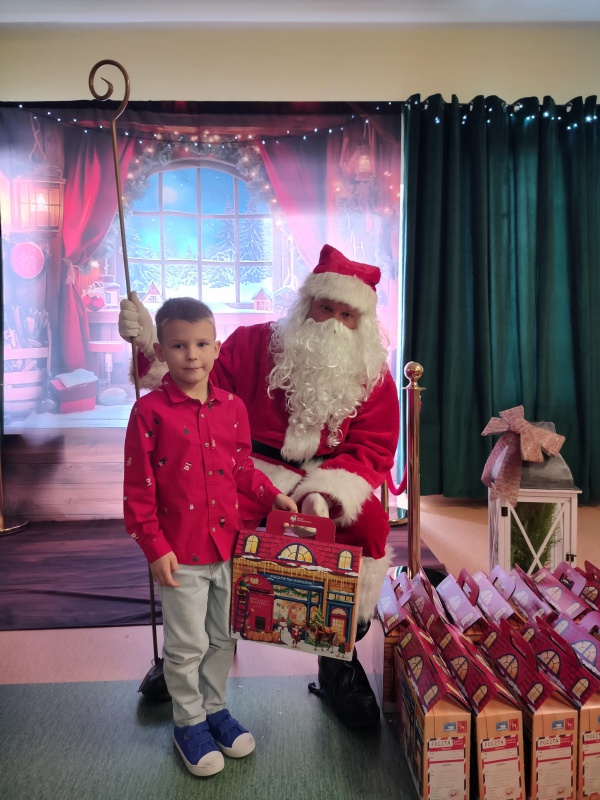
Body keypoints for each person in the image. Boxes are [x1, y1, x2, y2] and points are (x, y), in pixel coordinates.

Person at [119, 244, 400, 728]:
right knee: (201, 515)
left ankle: (338, 659)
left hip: (327, 478)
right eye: (325, 308)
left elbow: (374, 446)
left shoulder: (373, 373)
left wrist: (323, 494)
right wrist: (149, 345)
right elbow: (192, 385)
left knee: (368, 526)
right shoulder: (253, 343)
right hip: (245, 467)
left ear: (362, 321)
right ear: (306, 305)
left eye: (347, 314)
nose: (334, 323)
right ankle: (190, 645)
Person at [123, 297, 297, 778]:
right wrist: (153, 546)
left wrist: (272, 494)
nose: (192, 355)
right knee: (186, 645)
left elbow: (241, 467)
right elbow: (138, 490)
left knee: (223, 637)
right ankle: (188, 721)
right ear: (161, 350)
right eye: (179, 346)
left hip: (230, 547)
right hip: (180, 554)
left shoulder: (232, 408)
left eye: (201, 344)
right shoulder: (149, 412)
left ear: (217, 348)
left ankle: (215, 708)